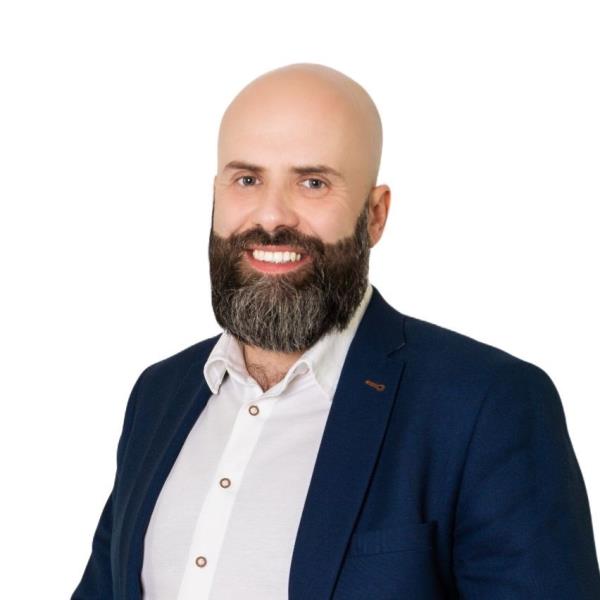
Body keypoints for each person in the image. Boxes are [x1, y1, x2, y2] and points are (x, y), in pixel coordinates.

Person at [72, 63, 600, 599]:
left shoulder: (486, 405)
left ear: (375, 215)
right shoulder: (159, 394)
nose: (271, 217)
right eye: (247, 179)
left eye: (313, 183)